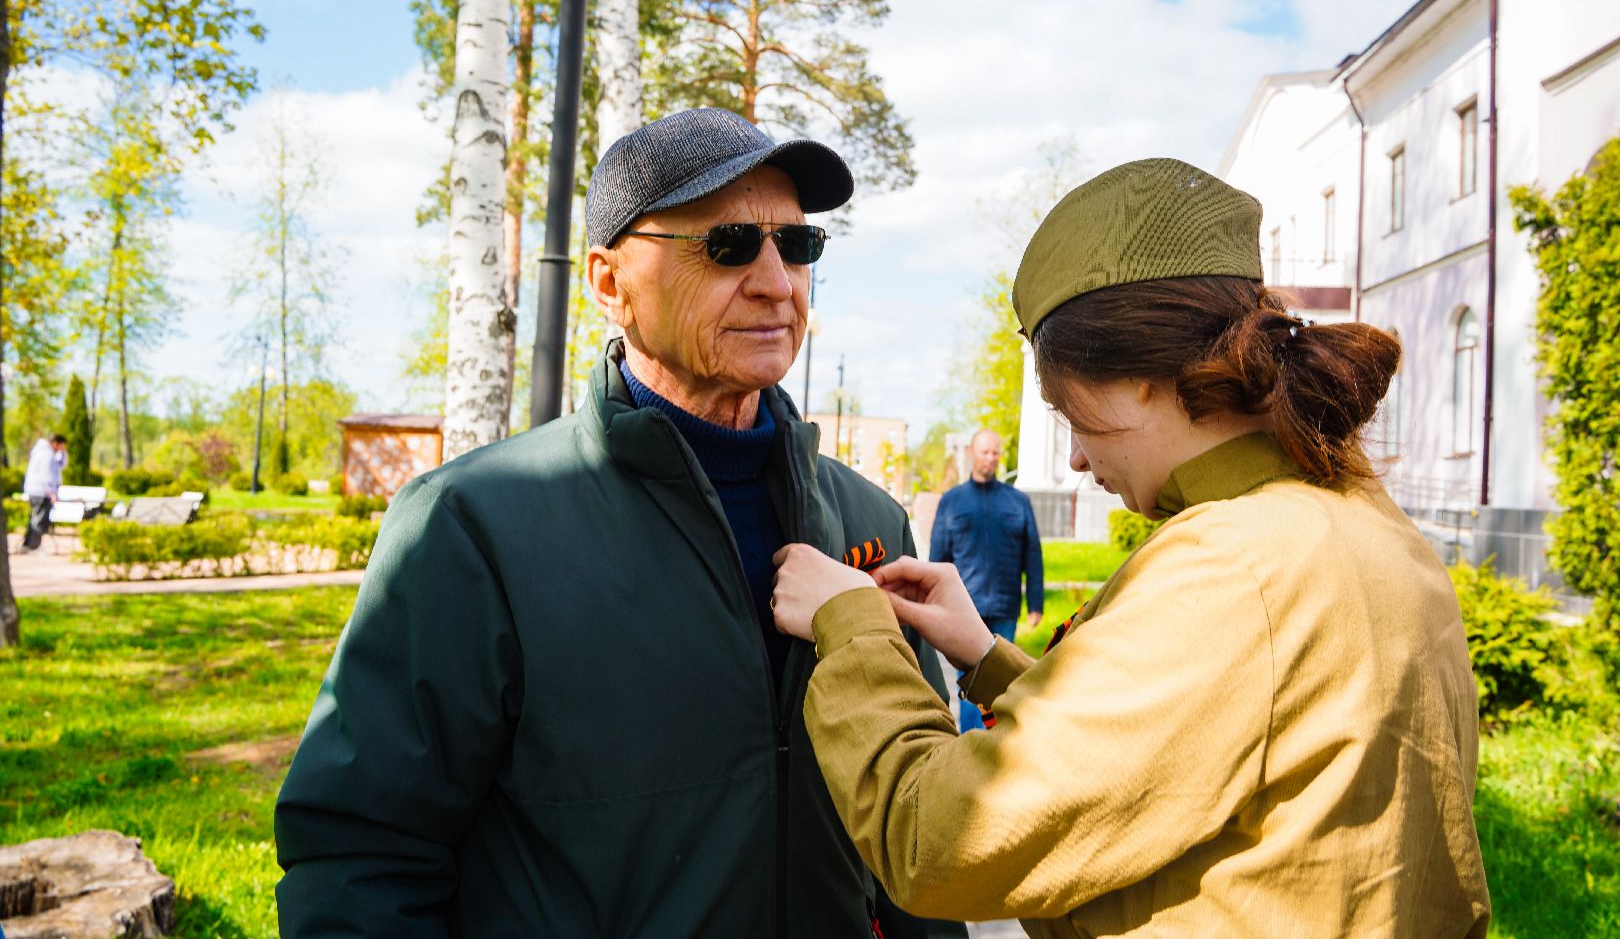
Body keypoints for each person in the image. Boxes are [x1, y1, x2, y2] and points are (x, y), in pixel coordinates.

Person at [275, 108, 963, 938]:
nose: (777, 283)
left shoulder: (870, 521)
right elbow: (362, 859)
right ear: (610, 285)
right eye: (729, 245)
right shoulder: (471, 529)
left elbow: (918, 830)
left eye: (797, 245)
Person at [771, 158, 1490, 936]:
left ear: (1138, 379)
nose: (1078, 458)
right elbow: (1186, 740)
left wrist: (854, 628)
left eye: (1070, 411)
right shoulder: (1354, 520)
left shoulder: (1232, 568)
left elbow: (936, 839)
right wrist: (985, 656)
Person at [928, 429, 1043, 730]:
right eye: (984, 452)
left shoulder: (1017, 501)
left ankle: (998, 742)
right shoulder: (952, 502)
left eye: (995, 453)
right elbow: (938, 557)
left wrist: (1036, 603)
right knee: (971, 679)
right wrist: (932, 604)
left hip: (1005, 607)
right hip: (965, 608)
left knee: (1001, 680)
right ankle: (971, 743)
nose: (990, 458)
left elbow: (1032, 554)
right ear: (971, 453)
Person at [19, 434, 67, 553]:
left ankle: (28, 544)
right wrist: (52, 492)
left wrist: (63, 453)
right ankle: (34, 546)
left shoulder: (41, 452)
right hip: (42, 492)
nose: (63, 449)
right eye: (62, 446)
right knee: (40, 520)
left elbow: (61, 465)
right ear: (55, 443)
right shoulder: (47, 455)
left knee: (35, 518)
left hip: (35, 490)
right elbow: (46, 475)